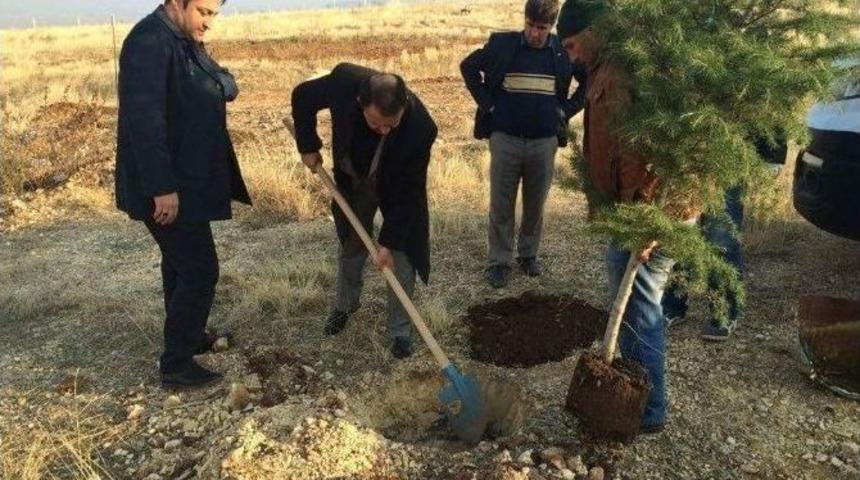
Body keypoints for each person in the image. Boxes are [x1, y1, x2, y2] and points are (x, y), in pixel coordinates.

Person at [557, 0, 698, 434]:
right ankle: (636, 397)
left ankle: (648, 410)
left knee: (640, 309)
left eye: (573, 44)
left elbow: (646, 155)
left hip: (646, 217)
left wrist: (645, 223)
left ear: (595, 31)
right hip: (632, 213)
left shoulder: (626, 70)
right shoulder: (606, 67)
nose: (571, 56)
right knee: (636, 307)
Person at [115, 0, 251, 388]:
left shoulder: (184, 38)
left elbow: (218, 81)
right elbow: (145, 123)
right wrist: (162, 189)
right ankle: (175, 364)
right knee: (200, 268)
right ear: (177, 2)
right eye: (203, 11)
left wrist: (222, 83)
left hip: (186, 181)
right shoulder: (148, 43)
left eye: (214, 14)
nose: (208, 23)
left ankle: (188, 339)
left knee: (180, 263)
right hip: (164, 186)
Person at [291, 63, 438, 359]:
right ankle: (345, 305)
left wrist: (390, 241)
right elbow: (303, 96)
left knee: (402, 254)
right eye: (376, 123)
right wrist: (307, 144)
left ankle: (400, 331)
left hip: (396, 185)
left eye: (391, 124)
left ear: (404, 104)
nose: (384, 130)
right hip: (354, 178)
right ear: (361, 104)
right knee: (352, 243)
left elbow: (408, 192)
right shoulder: (344, 82)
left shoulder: (420, 127)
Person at [461, 0, 587, 288]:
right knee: (501, 203)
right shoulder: (502, 44)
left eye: (541, 28)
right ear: (525, 20)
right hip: (505, 139)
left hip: (544, 143)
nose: (534, 33)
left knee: (535, 204)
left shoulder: (561, 51)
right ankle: (499, 262)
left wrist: (566, 111)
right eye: (530, 25)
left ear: (552, 27)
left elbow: (588, 81)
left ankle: (528, 255)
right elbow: (468, 67)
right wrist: (488, 104)